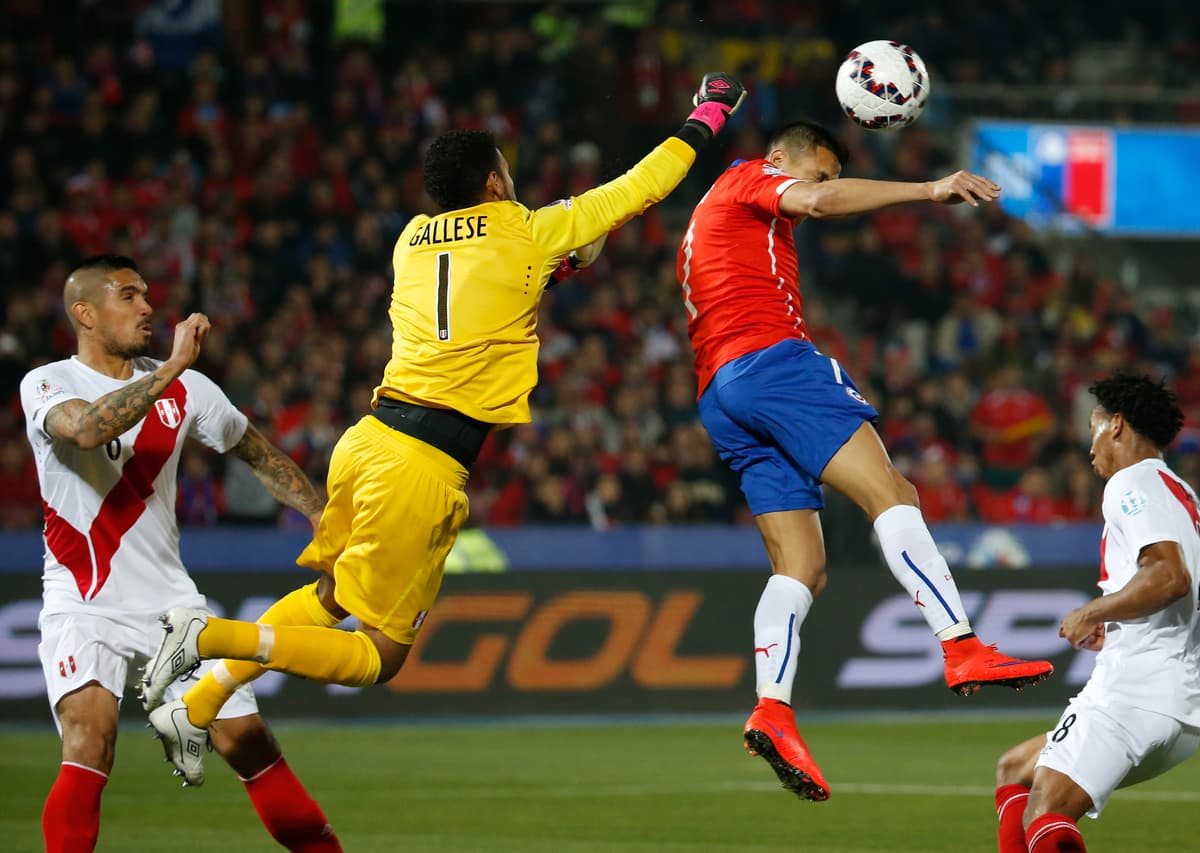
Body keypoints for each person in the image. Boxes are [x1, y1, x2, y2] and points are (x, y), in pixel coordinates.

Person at [139, 74, 749, 783]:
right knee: (379, 656)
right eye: (509, 173)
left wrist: (551, 269)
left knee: (336, 594)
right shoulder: (527, 227)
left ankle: (199, 703)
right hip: (420, 464)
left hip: (366, 442)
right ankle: (205, 635)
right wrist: (709, 110)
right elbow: (646, 183)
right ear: (495, 182)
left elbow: (478, 292)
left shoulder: (411, 240)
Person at [674, 120, 1054, 802]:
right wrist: (930, 188)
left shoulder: (710, 217)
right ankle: (960, 643)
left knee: (801, 568)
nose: (815, 190)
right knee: (893, 491)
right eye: (814, 172)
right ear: (779, 159)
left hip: (719, 389)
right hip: (772, 361)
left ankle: (773, 708)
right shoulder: (749, 177)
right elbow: (816, 201)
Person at [19, 255, 341, 851]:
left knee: (247, 740)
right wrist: (171, 367)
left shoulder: (188, 388)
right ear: (85, 314)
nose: (147, 307)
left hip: (172, 605)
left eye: (146, 294)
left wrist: (318, 513)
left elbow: (256, 452)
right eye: (128, 296)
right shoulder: (48, 382)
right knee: (90, 737)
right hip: (83, 600)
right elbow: (88, 429)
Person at [993, 373, 1200, 853]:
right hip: (1179, 712)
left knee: (1047, 815)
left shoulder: (1130, 482)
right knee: (1015, 769)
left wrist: (1093, 610)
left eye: (1093, 425)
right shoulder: (1191, 505)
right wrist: (1119, 619)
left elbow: (1168, 578)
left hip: (1132, 695)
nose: (1088, 441)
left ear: (1116, 425)